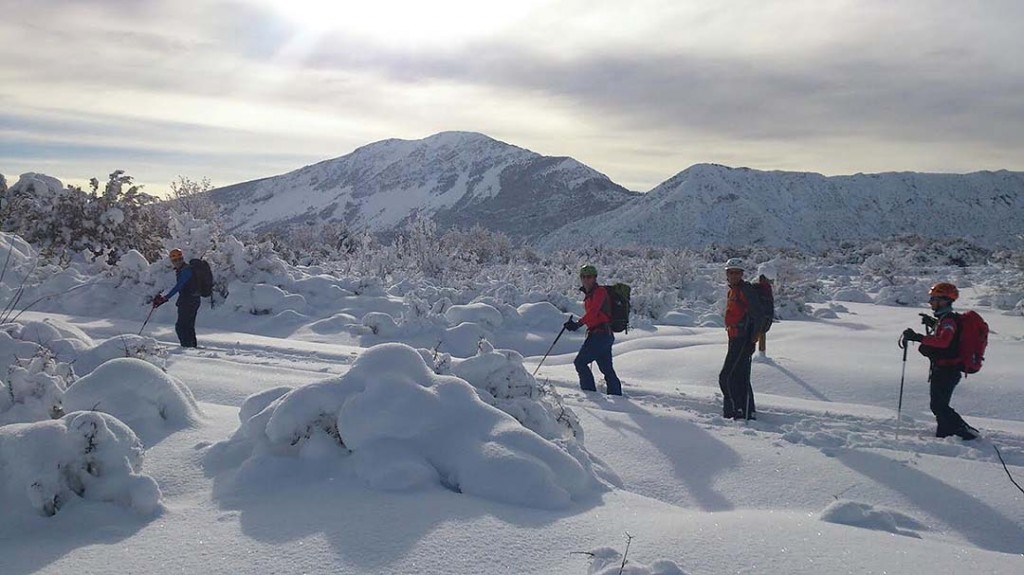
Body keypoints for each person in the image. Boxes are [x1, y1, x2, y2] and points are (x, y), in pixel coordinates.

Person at [902, 282, 979, 440]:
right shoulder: (946, 319)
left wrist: (919, 337)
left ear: (944, 300)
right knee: (939, 404)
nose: (930, 302)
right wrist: (933, 323)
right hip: (945, 369)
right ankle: (945, 432)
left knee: (938, 405)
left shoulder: (948, 321)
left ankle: (964, 431)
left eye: (934, 299)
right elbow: (948, 337)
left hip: (947, 370)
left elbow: (944, 341)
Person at [563, 265, 622, 396]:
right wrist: (577, 324)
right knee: (607, 369)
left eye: (589, 277)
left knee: (580, 363)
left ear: (595, 278)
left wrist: (577, 324)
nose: (586, 279)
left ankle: (590, 394)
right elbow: (593, 314)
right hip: (603, 335)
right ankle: (617, 396)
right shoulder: (590, 294)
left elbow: (594, 312)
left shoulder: (599, 292)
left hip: (600, 335)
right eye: (583, 277)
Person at [719, 258, 765, 420]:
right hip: (735, 337)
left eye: (737, 272)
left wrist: (752, 339)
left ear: (742, 274)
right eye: (731, 272)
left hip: (743, 339)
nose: (734, 275)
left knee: (727, 376)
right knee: (739, 374)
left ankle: (735, 410)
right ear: (726, 273)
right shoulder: (733, 290)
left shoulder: (745, 290)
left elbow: (757, 314)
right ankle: (745, 410)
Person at [152, 248, 201, 348]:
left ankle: (186, 348)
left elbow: (179, 286)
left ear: (182, 259)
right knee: (188, 326)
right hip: (194, 300)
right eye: (175, 260)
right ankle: (192, 347)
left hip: (188, 301)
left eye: (179, 259)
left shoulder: (186, 270)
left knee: (180, 327)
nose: (177, 262)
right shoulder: (186, 269)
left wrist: (165, 298)